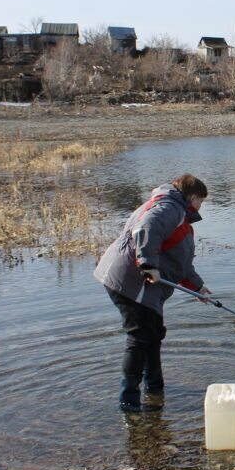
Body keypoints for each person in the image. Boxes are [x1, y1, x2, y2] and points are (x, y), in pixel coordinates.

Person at [94, 174, 212, 412]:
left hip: (132, 282)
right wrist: (148, 264)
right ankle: (129, 401)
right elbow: (146, 227)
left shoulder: (175, 212)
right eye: (201, 201)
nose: (200, 206)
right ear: (192, 197)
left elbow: (180, 261)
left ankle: (154, 389)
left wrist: (197, 287)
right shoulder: (170, 208)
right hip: (130, 281)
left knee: (153, 332)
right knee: (140, 337)